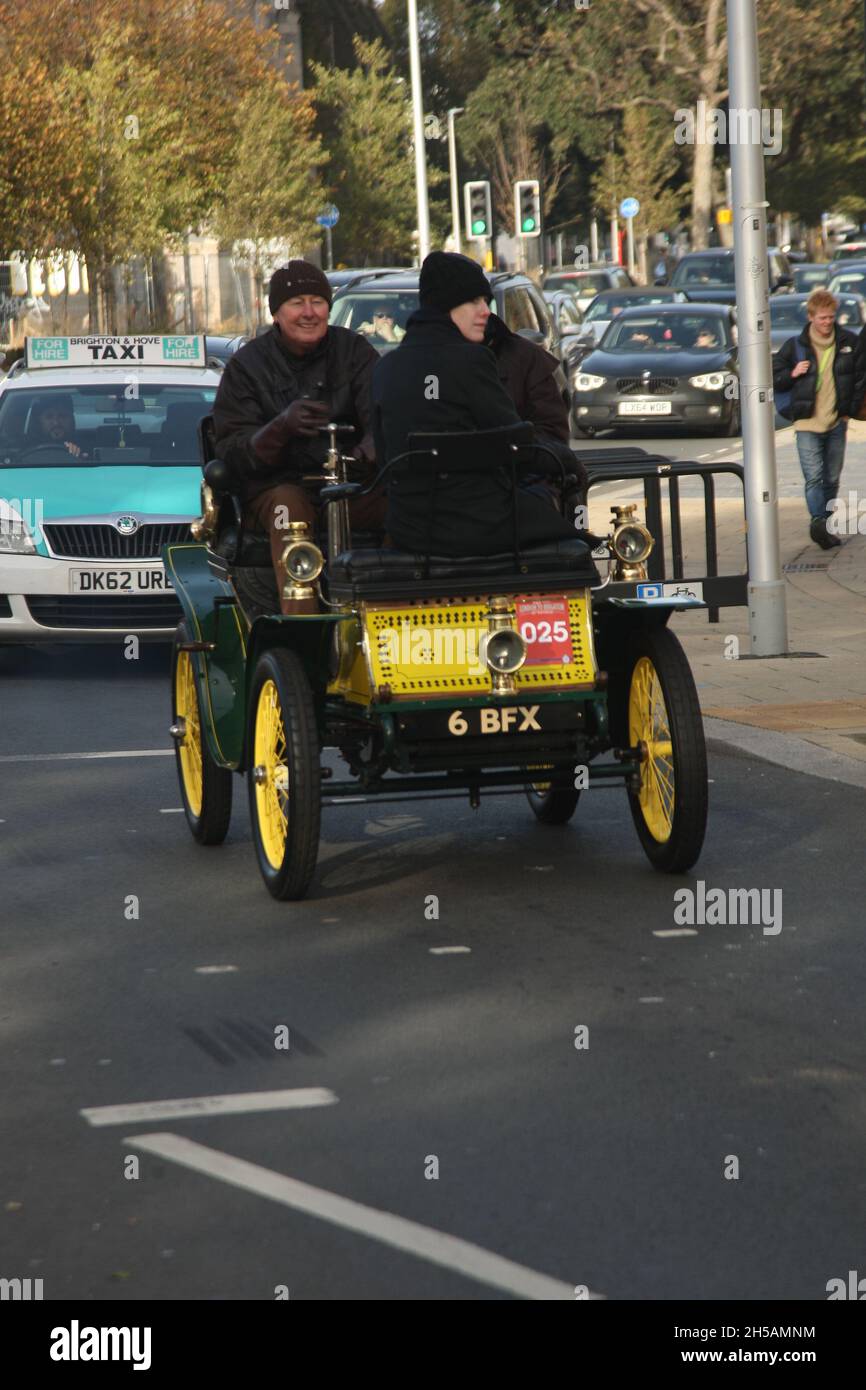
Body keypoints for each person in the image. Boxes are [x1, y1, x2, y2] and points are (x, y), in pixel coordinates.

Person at [371, 251, 578, 556]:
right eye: (474, 301)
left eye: (486, 301)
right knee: (576, 548)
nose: (486, 311)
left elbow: (385, 456)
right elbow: (516, 443)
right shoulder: (471, 360)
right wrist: (565, 459)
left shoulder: (386, 367)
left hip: (410, 529)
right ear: (445, 305)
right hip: (479, 525)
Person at [212, 260, 383, 612]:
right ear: (276, 313)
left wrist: (371, 448)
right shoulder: (246, 366)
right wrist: (281, 428)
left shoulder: (356, 352)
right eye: (296, 303)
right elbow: (231, 451)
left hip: (351, 487)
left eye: (317, 302)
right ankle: (302, 633)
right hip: (275, 493)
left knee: (406, 502)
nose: (309, 312)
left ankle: (397, 615)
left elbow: (384, 415)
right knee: (289, 510)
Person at [773, 289, 865, 549]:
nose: (827, 323)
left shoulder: (848, 342)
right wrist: (792, 373)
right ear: (811, 317)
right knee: (813, 477)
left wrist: (849, 410)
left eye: (831, 318)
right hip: (806, 422)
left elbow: (859, 379)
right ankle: (818, 522)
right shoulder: (796, 346)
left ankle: (822, 524)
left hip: (837, 421)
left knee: (832, 478)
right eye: (822, 318)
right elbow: (775, 376)